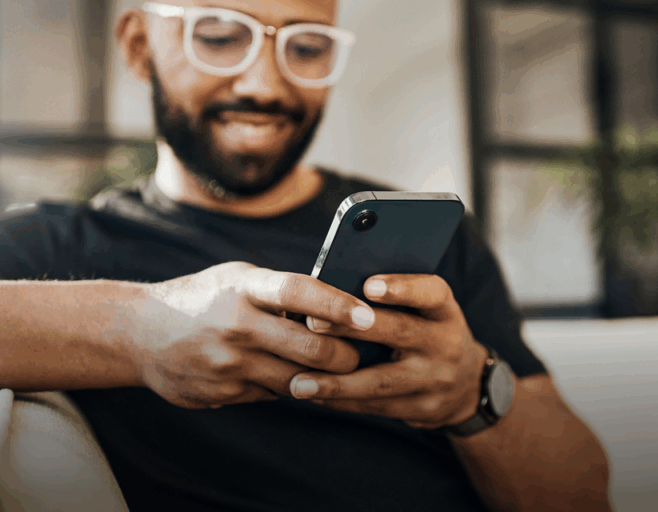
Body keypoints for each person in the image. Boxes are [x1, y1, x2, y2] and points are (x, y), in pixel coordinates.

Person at [0, 1, 611, 510]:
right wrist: (138, 328)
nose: (265, 84)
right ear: (139, 46)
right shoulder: (60, 248)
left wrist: (471, 396)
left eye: (308, 47)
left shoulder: (433, 238)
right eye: (218, 35)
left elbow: (585, 499)